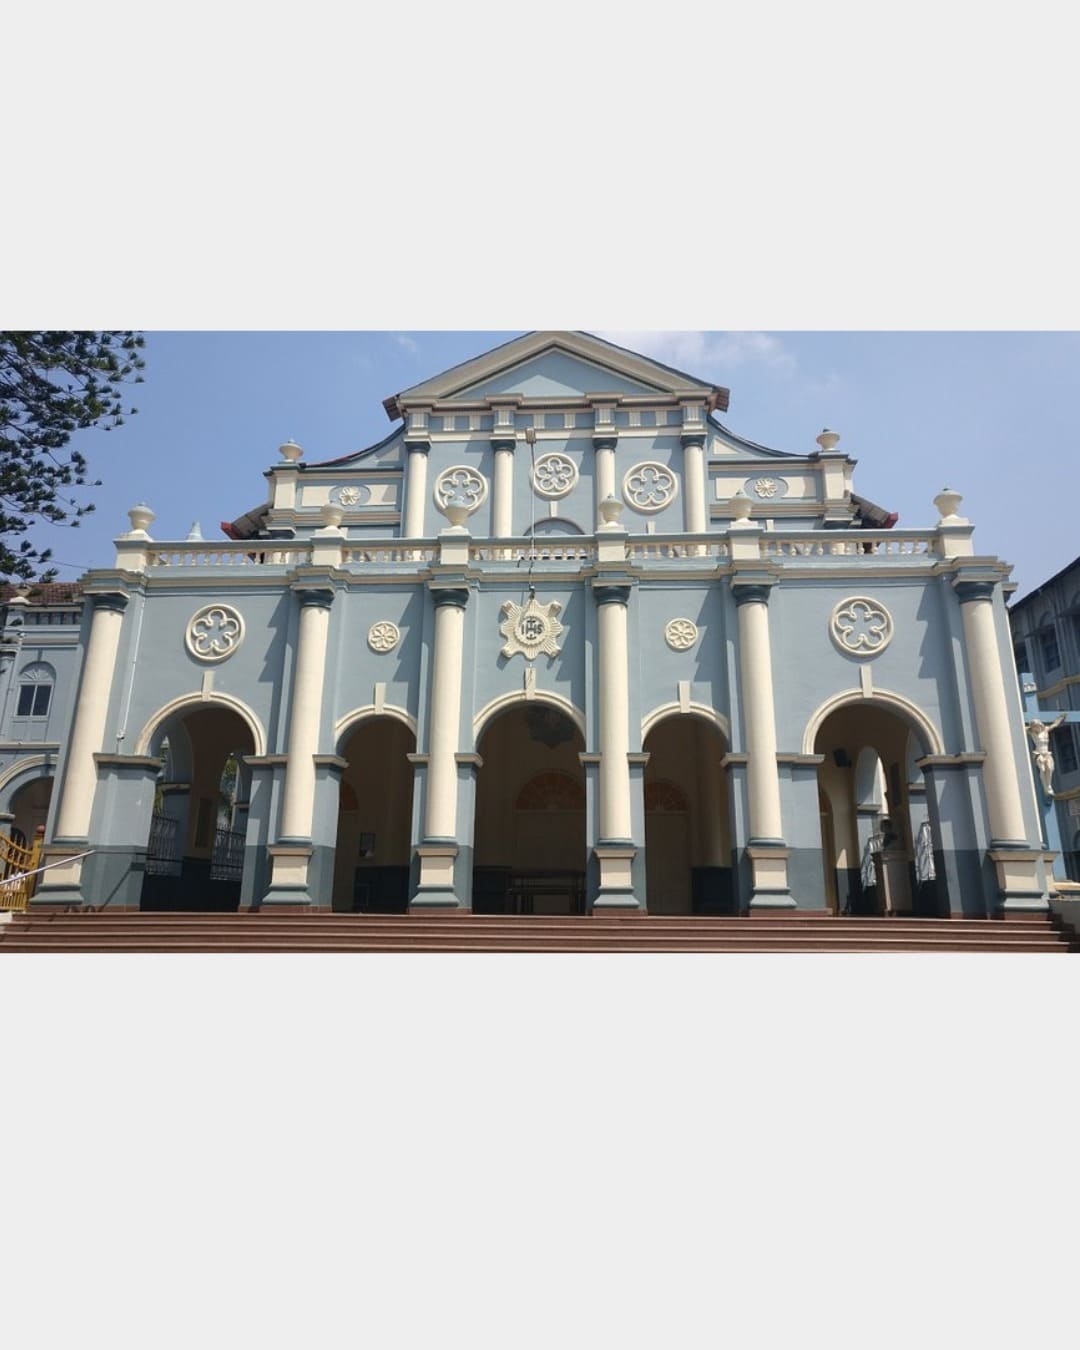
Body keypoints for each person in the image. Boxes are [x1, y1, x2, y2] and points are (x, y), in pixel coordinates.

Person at [1026, 715, 1066, 796]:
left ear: (1040, 725)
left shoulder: (1046, 730)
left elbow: (1054, 725)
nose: (1035, 728)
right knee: (1043, 769)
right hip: (1038, 754)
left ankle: (1048, 785)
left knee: (1050, 768)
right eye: (1033, 727)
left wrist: (1061, 718)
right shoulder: (1032, 732)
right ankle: (1046, 788)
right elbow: (1021, 727)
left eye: (1036, 726)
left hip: (1047, 754)